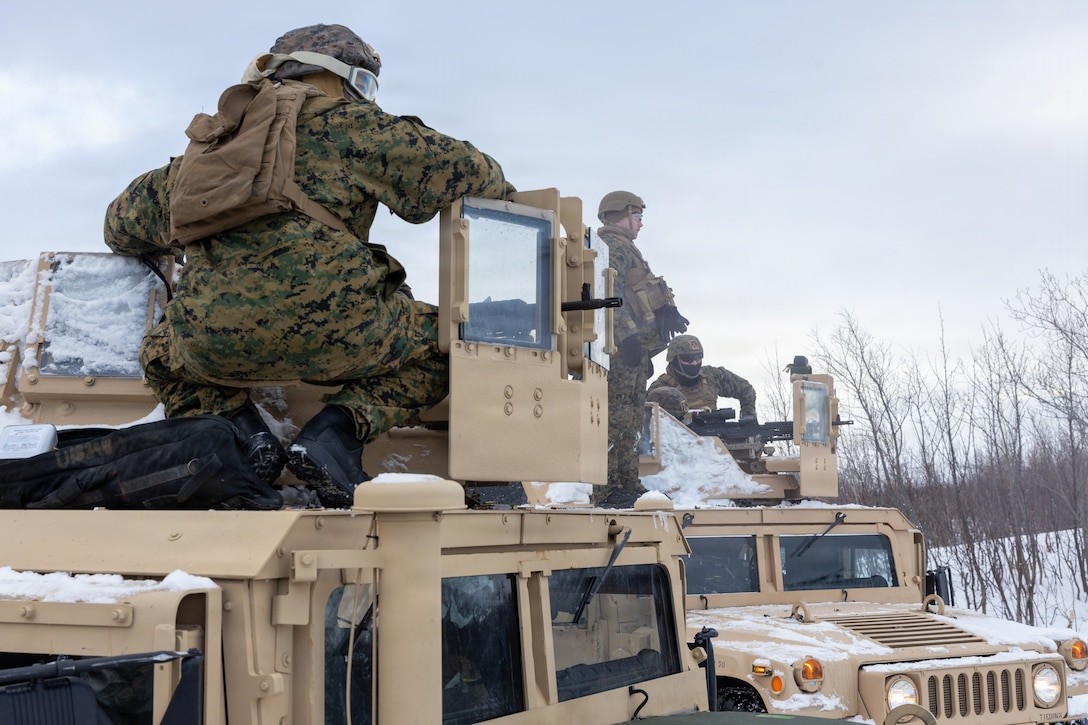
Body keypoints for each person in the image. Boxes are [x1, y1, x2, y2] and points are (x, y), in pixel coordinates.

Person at [103, 24, 514, 508]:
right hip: (344, 332)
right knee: (448, 347)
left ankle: (240, 436)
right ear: (346, 80)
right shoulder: (360, 128)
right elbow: (479, 175)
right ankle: (333, 435)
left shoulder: (207, 150)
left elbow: (119, 225)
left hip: (213, 345)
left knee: (161, 354)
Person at [595, 191, 688, 506]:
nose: (641, 224)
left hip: (632, 354)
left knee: (633, 418)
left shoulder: (627, 249)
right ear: (621, 214)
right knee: (616, 418)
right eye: (638, 217)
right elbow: (608, 293)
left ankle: (626, 482)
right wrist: (629, 337)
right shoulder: (612, 247)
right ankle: (605, 489)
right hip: (619, 351)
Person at [649, 334, 758, 420]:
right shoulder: (659, 389)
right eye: (688, 358)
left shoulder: (712, 376)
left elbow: (746, 389)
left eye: (698, 357)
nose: (694, 363)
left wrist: (748, 417)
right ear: (673, 360)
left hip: (714, 442)